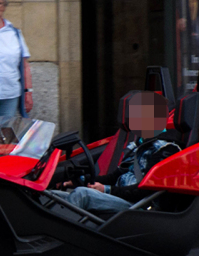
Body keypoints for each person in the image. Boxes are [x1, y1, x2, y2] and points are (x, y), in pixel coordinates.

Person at [49, 92, 179, 216]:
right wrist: (77, 181)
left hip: (140, 207)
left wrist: (106, 190)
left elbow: (144, 190)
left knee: (82, 195)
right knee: (53, 196)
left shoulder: (166, 149)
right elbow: (113, 177)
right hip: (121, 198)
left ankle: (61, 237)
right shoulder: (137, 145)